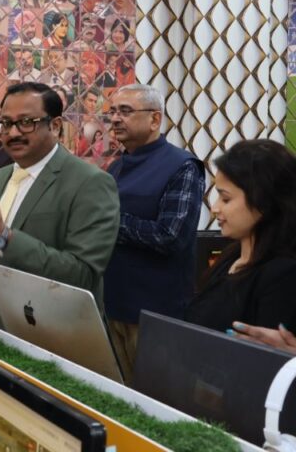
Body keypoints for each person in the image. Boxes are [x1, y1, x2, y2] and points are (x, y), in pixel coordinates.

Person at [0, 82, 119, 322]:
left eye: (26, 123)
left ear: (55, 126)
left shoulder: (90, 183)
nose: (13, 133)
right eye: (6, 123)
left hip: (54, 338)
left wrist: (2, 236)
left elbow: (81, 276)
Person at [103, 85, 205, 383]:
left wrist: (109, 223)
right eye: (112, 112)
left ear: (155, 119)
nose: (115, 119)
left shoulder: (183, 166)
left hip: (155, 310)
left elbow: (169, 236)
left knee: (153, 398)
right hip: (113, 301)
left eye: (125, 111)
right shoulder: (117, 166)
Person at [185, 140, 296, 335]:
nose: (215, 208)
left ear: (263, 200)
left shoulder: (283, 274)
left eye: (226, 199)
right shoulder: (230, 258)